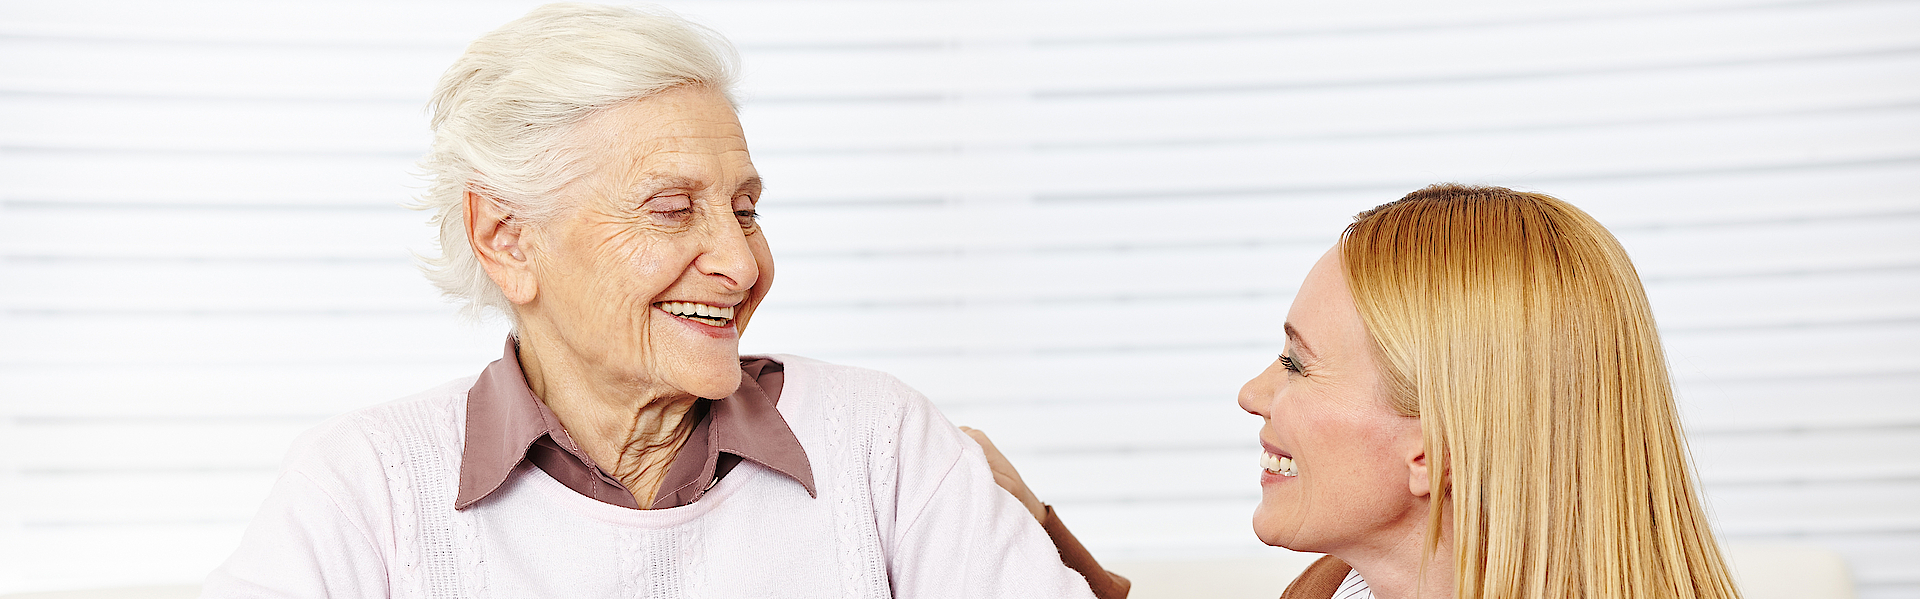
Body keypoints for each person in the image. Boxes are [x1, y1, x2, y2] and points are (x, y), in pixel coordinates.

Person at [200, 4, 1095, 597]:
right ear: (507, 239)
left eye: (746, 210)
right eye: (671, 210)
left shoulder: (886, 443)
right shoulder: (366, 488)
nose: (740, 266)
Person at [975, 184, 1744, 599]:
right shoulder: (1336, 588)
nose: (1252, 392)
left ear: (1433, 448)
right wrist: (1032, 517)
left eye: (1297, 363)